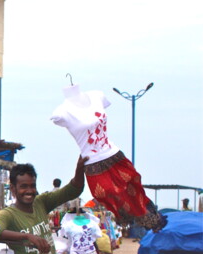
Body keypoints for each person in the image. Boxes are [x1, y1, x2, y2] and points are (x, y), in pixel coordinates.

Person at [51, 84, 167, 232]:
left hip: (113, 154)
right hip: (92, 162)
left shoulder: (96, 96)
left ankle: (151, 219)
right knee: (107, 192)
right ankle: (126, 219)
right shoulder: (62, 112)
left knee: (133, 180)